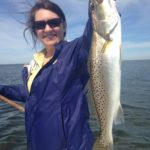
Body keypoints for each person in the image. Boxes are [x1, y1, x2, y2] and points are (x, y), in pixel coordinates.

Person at [0, 0, 95, 149]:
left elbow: (98, 27)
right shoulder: (34, 63)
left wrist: (98, 6)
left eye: (54, 22)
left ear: (64, 26)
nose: (48, 28)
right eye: (40, 25)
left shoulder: (75, 52)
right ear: (35, 30)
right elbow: (29, 93)